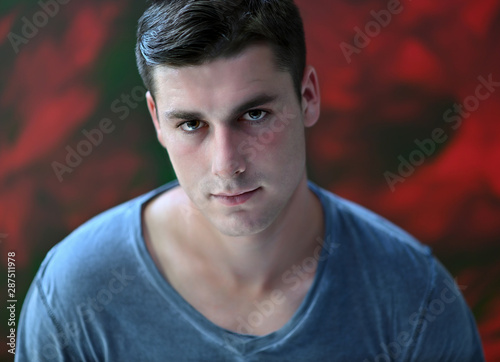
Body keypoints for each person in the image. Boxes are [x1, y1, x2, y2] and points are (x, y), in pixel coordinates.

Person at [16, 0, 485, 361]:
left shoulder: (415, 297)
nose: (226, 164)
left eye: (254, 114)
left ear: (307, 97)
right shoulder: (73, 292)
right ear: (157, 121)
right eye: (191, 124)